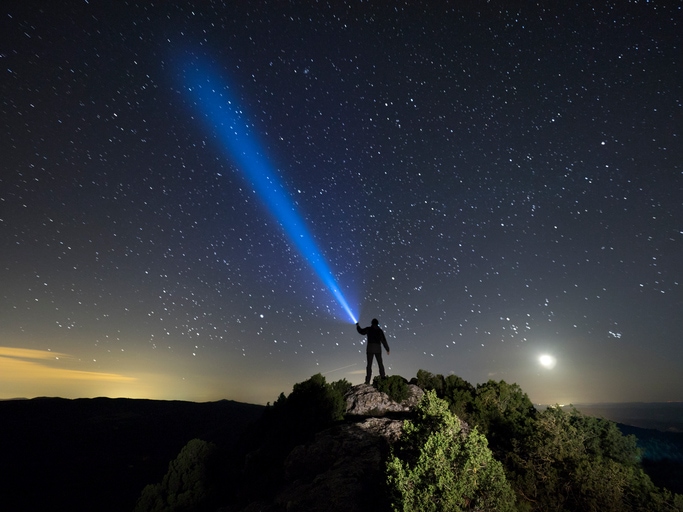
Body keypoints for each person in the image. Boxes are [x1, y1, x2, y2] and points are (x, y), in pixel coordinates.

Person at [356, 318, 390, 385]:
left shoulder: (369, 329)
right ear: (377, 323)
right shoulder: (380, 331)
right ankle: (383, 377)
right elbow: (383, 340)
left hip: (370, 348)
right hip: (377, 349)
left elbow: (361, 331)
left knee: (369, 365)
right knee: (380, 363)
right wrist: (387, 349)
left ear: (371, 323)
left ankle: (367, 381)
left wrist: (357, 326)